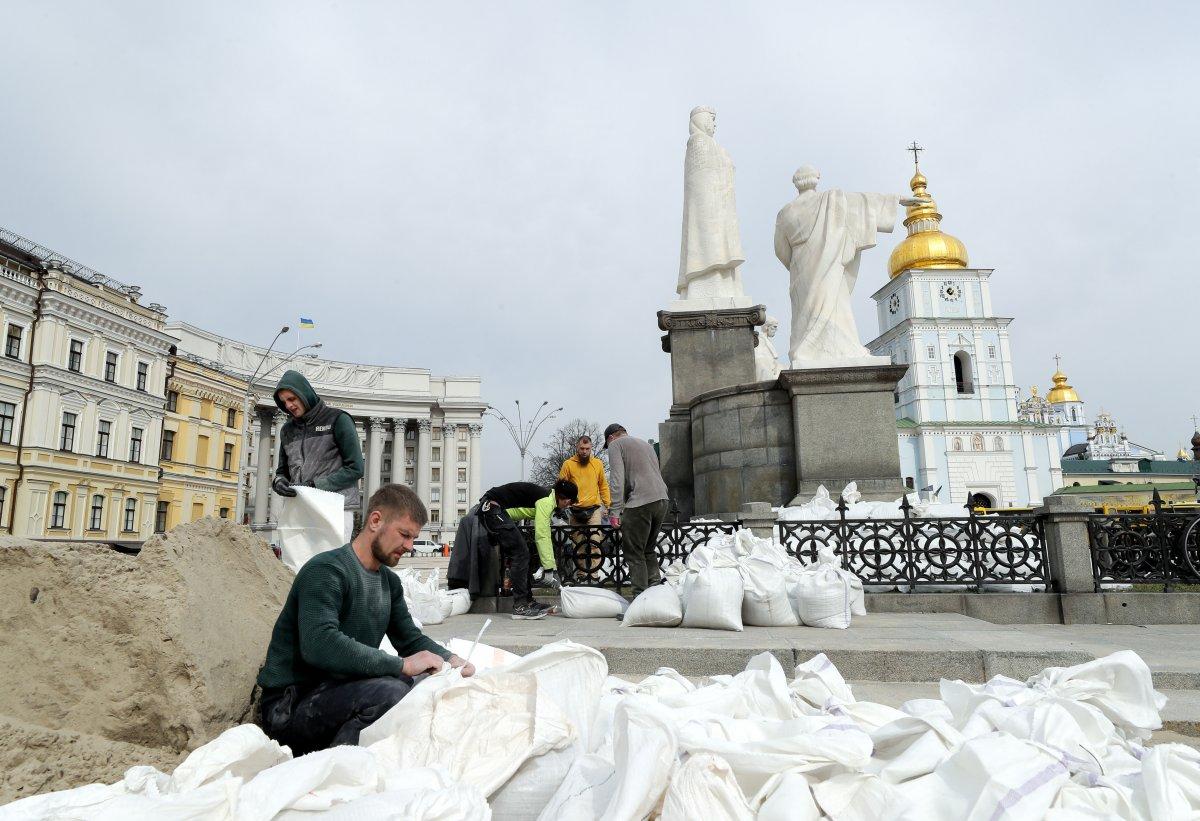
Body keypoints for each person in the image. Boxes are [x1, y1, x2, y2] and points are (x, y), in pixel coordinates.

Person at [257, 484, 475, 755]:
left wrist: (450, 661)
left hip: (337, 692)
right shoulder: (327, 570)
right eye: (404, 535)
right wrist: (402, 665)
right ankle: (335, 772)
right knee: (392, 692)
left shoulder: (389, 584)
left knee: (416, 686)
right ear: (375, 521)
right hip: (291, 707)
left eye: (413, 538)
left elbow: (410, 639)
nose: (409, 546)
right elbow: (320, 644)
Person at [271, 370, 365, 541]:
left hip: (335, 508)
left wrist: (315, 486)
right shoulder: (287, 430)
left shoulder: (338, 419)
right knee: (296, 565)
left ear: (304, 393)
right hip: (299, 509)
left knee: (332, 565)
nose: (288, 406)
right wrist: (279, 482)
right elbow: (281, 471)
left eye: (292, 399)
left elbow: (356, 468)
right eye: (284, 402)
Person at [478, 479, 577, 619]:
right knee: (520, 554)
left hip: (496, 510)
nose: (569, 506)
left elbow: (518, 512)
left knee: (525, 553)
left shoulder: (548, 498)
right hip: (492, 509)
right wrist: (550, 569)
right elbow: (542, 534)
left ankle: (528, 602)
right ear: (566, 500)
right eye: (571, 502)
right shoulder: (547, 501)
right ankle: (520, 606)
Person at [603, 424, 670, 597]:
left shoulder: (615, 445)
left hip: (641, 502)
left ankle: (640, 599)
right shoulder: (645, 444)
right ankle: (656, 596)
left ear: (611, 437)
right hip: (662, 499)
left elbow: (617, 479)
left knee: (634, 553)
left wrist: (615, 511)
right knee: (648, 549)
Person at [558, 435, 611, 582]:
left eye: (587, 449)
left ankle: (593, 575)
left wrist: (608, 504)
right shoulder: (568, 464)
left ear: (591, 448)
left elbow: (603, 485)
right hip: (575, 511)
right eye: (582, 448)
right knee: (579, 545)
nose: (584, 451)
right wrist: (563, 504)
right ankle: (582, 575)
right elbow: (561, 485)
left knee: (595, 543)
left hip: (594, 509)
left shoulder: (597, 464)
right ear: (577, 447)